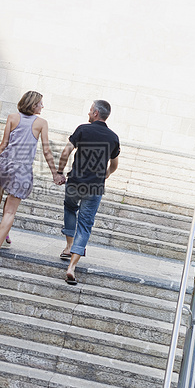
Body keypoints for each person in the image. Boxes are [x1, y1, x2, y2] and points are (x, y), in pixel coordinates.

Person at [0, 91, 65, 268]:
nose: (42, 107)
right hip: (20, 170)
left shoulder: (12, 117)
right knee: (10, 211)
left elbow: (3, 144)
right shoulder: (41, 123)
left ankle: (4, 233)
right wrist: (55, 173)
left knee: (8, 204)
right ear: (32, 105)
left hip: (4, 165)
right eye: (40, 104)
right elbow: (46, 151)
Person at [56, 100, 120, 285]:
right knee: (85, 224)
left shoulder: (83, 129)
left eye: (90, 110)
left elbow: (66, 152)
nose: (88, 112)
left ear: (95, 114)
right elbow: (114, 165)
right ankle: (72, 267)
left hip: (75, 182)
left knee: (70, 208)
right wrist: (105, 175)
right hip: (95, 187)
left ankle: (69, 246)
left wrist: (60, 173)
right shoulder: (113, 137)